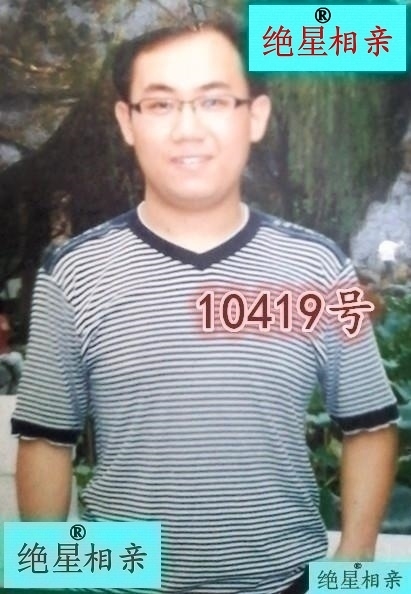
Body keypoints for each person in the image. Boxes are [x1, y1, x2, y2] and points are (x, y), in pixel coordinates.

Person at [11, 16, 398, 594]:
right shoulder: (72, 273)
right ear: (127, 122)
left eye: (214, 100)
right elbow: (46, 437)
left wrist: (355, 562)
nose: (188, 129)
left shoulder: (321, 267)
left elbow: (369, 424)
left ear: (255, 116)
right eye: (161, 104)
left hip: (284, 580)